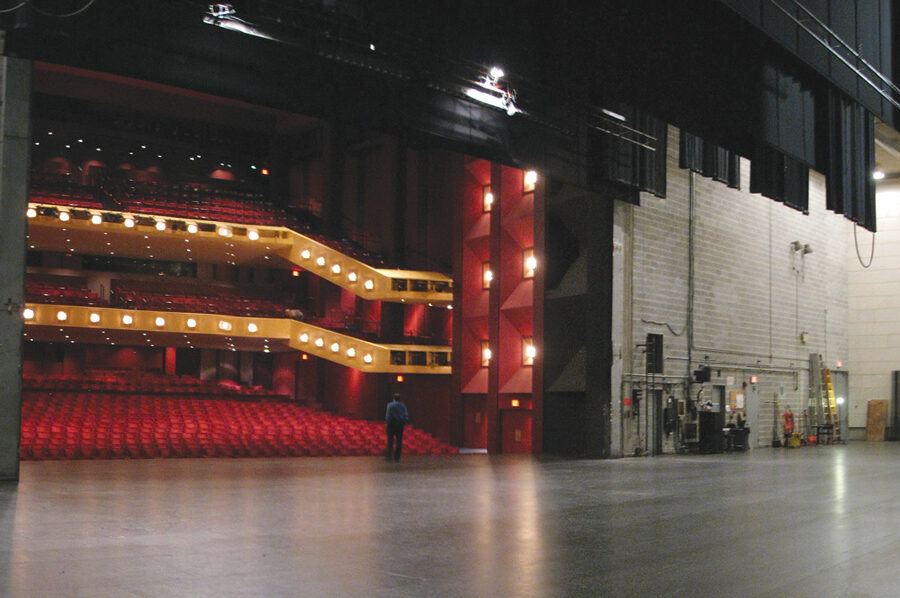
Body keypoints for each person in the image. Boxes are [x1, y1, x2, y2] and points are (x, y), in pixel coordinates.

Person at [385, 392, 409, 462]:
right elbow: (405, 415)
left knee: (390, 440)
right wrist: (403, 422)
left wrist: (387, 422)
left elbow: (388, 415)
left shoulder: (390, 405)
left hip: (391, 424)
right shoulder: (403, 406)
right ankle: (397, 457)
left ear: (393, 398)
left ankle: (389, 456)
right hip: (400, 424)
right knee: (399, 441)